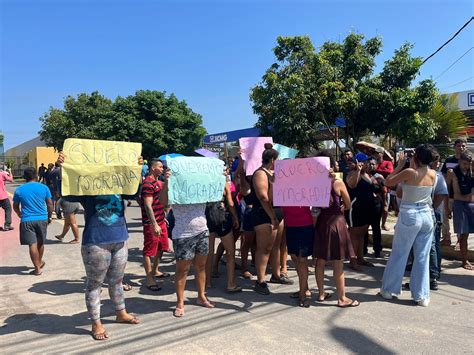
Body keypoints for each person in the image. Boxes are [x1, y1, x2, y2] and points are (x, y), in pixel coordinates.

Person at [57, 152, 141, 340]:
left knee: (117, 281)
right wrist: (63, 167)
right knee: (94, 285)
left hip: (120, 239)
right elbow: (66, 192)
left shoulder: (120, 184)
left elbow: (135, 191)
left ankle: (121, 313)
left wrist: (136, 168)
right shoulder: (88, 188)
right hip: (96, 242)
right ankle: (96, 323)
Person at [380, 144, 437, 307]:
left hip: (410, 213)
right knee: (422, 256)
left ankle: (389, 290)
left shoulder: (409, 172)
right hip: (426, 214)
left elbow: (388, 181)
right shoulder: (433, 174)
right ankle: (421, 296)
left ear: (416, 157)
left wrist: (399, 165)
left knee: (399, 253)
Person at [314, 152, 359, 308]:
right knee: (338, 263)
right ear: (332, 165)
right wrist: (341, 206)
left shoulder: (313, 183)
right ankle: (342, 298)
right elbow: (348, 204)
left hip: (321, 222)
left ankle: (321, 293)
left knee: (320, 260)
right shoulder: (337, 182)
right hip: (336, 222)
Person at [250, 143, 292, 296]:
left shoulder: (272, 173)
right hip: (265, 215)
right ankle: (260, 281)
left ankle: (276, 274)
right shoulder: (260, 174)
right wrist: (272, 216)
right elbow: (263, 197)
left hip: (276, 214)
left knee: (276, 246)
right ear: (273, 159)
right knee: (264, 249)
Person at [171, 201, 213, 317]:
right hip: (182, 234)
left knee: (201, 267)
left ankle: (201, 296)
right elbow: (163, 201)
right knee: (182, 270)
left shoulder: (201, 183)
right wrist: (167, 183)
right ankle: (180, 302)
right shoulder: (175, 184)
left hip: (202, 231)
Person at [12, 167, 53, 275]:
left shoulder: (19, 190)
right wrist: (49, 217)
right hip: (42, 219)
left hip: (27, 220)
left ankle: (37, 268)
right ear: (36, 175)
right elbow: (49, 204)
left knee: (32, 244)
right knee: (40, 242)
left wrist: (20, 214)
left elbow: (15, 206)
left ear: (24, 177)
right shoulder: (44, 188)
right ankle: (39, 262)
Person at [205, 175, 241, 292]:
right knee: (230, 252)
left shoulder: (203, 181)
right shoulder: (223, 181)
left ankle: (208, 282)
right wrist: (235, 217)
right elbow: (230, 202)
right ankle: (230, 283)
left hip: (208, 215)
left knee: (209, 253)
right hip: (222, 216)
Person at [141, 158, 170, 291]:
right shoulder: (148, 183)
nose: (162, 169)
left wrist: (164, 217)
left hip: (161, 220)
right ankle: (149, 279)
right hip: (151, 223)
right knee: (149, 251)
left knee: (162, 247)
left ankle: (155, 270)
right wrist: (154, 224)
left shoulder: (160, 182)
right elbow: (148, 205)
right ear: (153, 168)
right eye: (160, 167)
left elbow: (164, 201)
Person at [345, 153, 376, 270]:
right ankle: (353, 261)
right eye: (365, 162)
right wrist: (358, 171)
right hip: (355, 208)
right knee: (354, 234)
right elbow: (352, 185)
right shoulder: (352, 174)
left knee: (362, 233)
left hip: (366, 208)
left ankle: (360, 258)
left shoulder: (367, 175)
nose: (367, 164)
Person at [282, 204, 313, 307]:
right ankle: (304, 288)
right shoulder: (281, 187)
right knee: (294, 257)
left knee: (302, 259)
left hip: (305, 224)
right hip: (290, 225)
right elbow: (272, 198)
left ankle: (302, 295)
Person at [447, 152, 473, 270]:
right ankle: (464, 260)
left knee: (467, 234)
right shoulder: (452, 173)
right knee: (463, 235)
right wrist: (447, 207)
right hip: (459, 204)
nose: (466, 166)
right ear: (459, 162)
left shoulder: (471, 172)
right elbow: (446, 190)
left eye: (468, 164)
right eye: (464, 164)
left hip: (471, 204)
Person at [441, 138, 467, 247]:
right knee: (444, 216)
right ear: (454, 147)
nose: (461, 148)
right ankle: (446, 237)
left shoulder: (468, 161)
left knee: (460, 219)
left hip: (462, 196)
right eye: (458, 146)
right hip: (449, 194)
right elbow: (442, 175)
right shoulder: (449, 160)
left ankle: (459, 240)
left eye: (463, 146)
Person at [54, 166, 81, 243]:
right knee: (67, 223)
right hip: (74, 202)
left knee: (73, 223)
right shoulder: (72, 181)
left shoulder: (61, 183)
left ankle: (76, 239)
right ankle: (61, 236)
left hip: (68, 204)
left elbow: (59, 196)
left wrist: (58, 212)